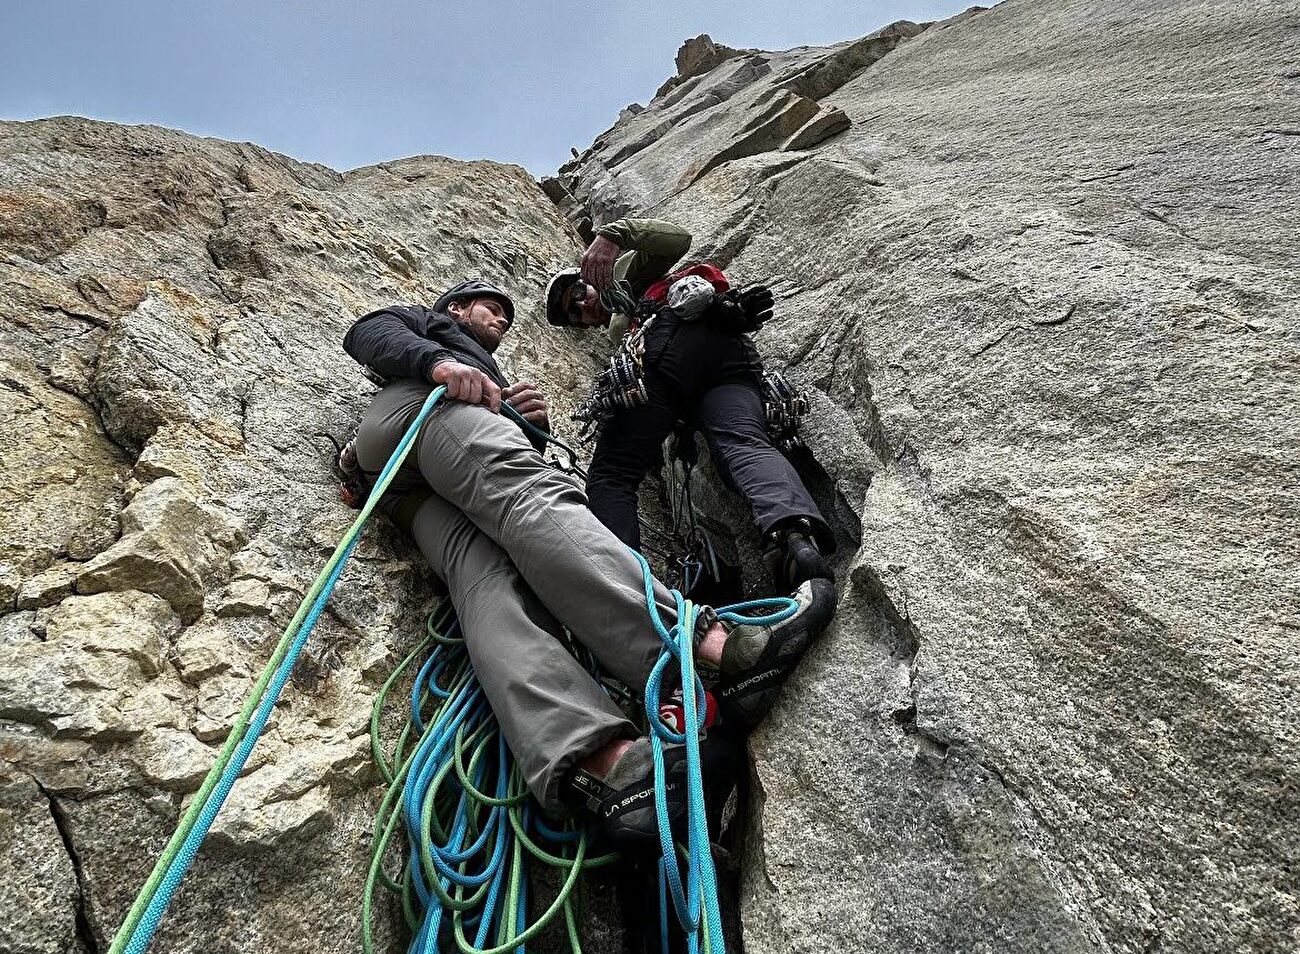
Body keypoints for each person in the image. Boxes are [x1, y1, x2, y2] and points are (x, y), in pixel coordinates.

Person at [341, 279, 834, 848]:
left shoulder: (485, 377)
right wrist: (440, 364)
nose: (499, 320)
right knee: (531, 497)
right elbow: (368, 330)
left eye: (505, 314)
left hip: (405, 489)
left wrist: (529, 425)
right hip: (420, 412)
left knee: (486, 587)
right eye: (489, 308)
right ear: (453, 309)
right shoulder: (434, 331)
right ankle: (712, 653)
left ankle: (607, 770)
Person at [543, 218, 836, 592]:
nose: (583, 306)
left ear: (590, 273)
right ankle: (795, 538)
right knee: (745, 441)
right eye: (575, 315)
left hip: (671, 344)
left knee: (613, 473)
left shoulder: (627, 275)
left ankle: (624, 592)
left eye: (579, 292)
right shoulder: (621, 320)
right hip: (730, 355)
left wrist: (611, 236)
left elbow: (678, 238)